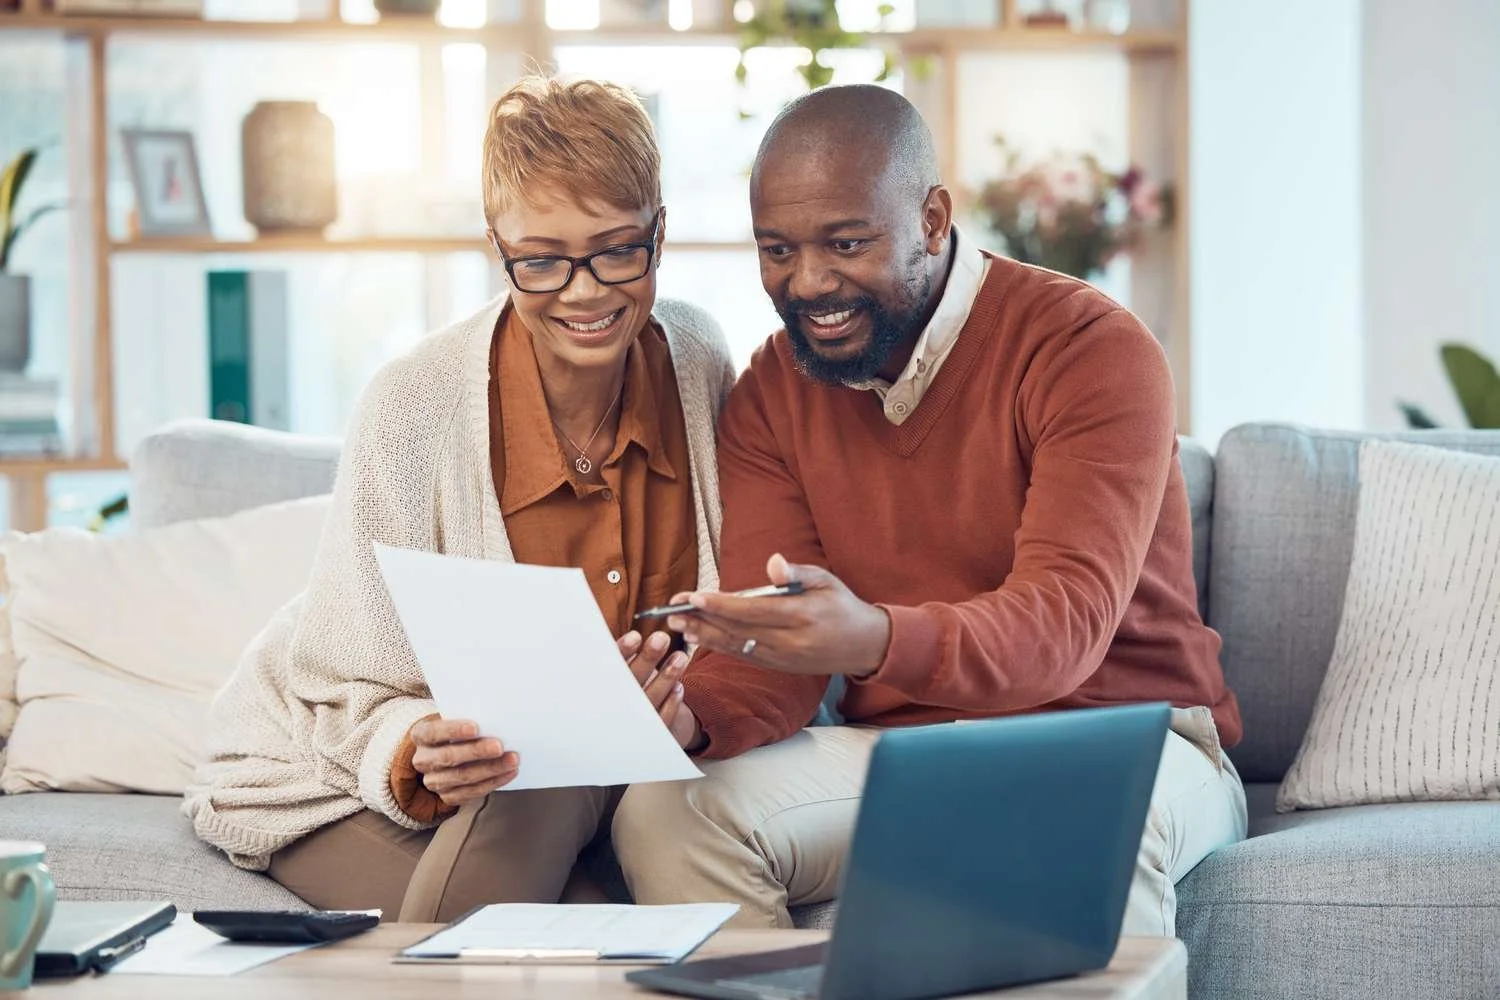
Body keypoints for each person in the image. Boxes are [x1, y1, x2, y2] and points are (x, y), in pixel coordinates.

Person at [610, 84, 1247, 937]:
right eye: (777, 250)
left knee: (1068, 822)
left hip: (1125, 738)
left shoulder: (1089, 350)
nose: (808, 283)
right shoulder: (771, 393)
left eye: (846, 243)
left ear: (934, 220)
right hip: (911, 753)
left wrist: (871, 637)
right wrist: (690, 720)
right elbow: (776, 649)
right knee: (664, 810)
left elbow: (1063, 625)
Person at [184, 76, 731, 921]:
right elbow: (342, 677)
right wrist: (415, 746)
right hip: (343, 782)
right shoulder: (412, 404)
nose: (584, 292)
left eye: (618, 249)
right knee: (553, 830)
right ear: (496, 244)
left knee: (568, 806)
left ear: (661, 229)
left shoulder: (697, 360)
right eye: (541, 260)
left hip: (591, 787)